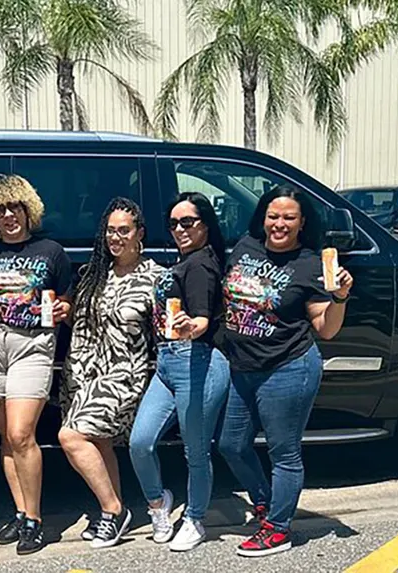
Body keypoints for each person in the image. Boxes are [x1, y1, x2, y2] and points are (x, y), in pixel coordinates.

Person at [215, 187, 353, 558]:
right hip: (243, 367)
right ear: (263, 217)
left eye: (289, 217)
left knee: (284, 453)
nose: (280, 224)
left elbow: (325, 328)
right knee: (230, 444)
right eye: (273, 216)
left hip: (288, 367)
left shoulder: (309, 264)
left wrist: (339, 298)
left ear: (302, 222)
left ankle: (278, 529)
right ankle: (266, 502)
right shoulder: (245, 246)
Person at [0, 172, 72, 556]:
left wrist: (64, 308)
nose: (9, 216)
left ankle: (35, 520)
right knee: (7, 438)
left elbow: (69, 298)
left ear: (28, 209)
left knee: (23, 433)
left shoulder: (51, 251)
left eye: (15, 207)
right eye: (0, 211)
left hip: (33, 345)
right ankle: (21, 511)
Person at [58, 197, 165, 549]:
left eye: (124, 230)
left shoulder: (156, 278)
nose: (116, 237)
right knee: (97, 441)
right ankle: (114, 513)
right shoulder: (93, 273)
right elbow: (82, 319)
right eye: (110, 230)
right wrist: (65, 311)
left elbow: (166, 331)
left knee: (71, 437)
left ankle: (113, 510)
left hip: (126, 375)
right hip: (84, 374)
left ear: (140, 234)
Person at [128, 191, 231, 553]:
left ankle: (195, 520)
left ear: (205, 224)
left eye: (188, 222)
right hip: (168, 364)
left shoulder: (202, 264)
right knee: (140, 442)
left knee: (196, 451)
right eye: (173, 224)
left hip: (198, 362)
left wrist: (195, 325)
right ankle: (159, 504)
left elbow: (202, 317)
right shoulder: (183, 260)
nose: (179, 229)